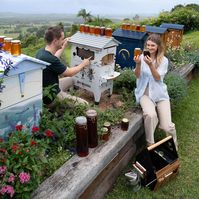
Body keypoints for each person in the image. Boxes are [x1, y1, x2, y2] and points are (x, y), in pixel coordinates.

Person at [134, 34, 178, 150]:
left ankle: (173, 148)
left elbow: (158, 78)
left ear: (158, 46)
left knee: (167, 127)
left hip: (160, 95)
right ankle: (150, 144)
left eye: (152, 45)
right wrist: (138, 64)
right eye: (147, 45)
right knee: (150, 115)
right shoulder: (142, 57)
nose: (149, 47)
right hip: (145, 93)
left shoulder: (164, 60)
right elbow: (137, 75)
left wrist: (150, 65)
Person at [36, 25, 91, 107]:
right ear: (55, 41)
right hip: (52, 97)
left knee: (72, 80)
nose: (63, 40)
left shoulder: (42, 52)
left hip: (50, 88)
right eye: (62, 39)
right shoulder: (50, 59)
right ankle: (62, 103)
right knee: (85, 104)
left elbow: (54, 57)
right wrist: (83, 64)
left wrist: (63, 45)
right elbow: (69, 73)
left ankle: (67, 97)